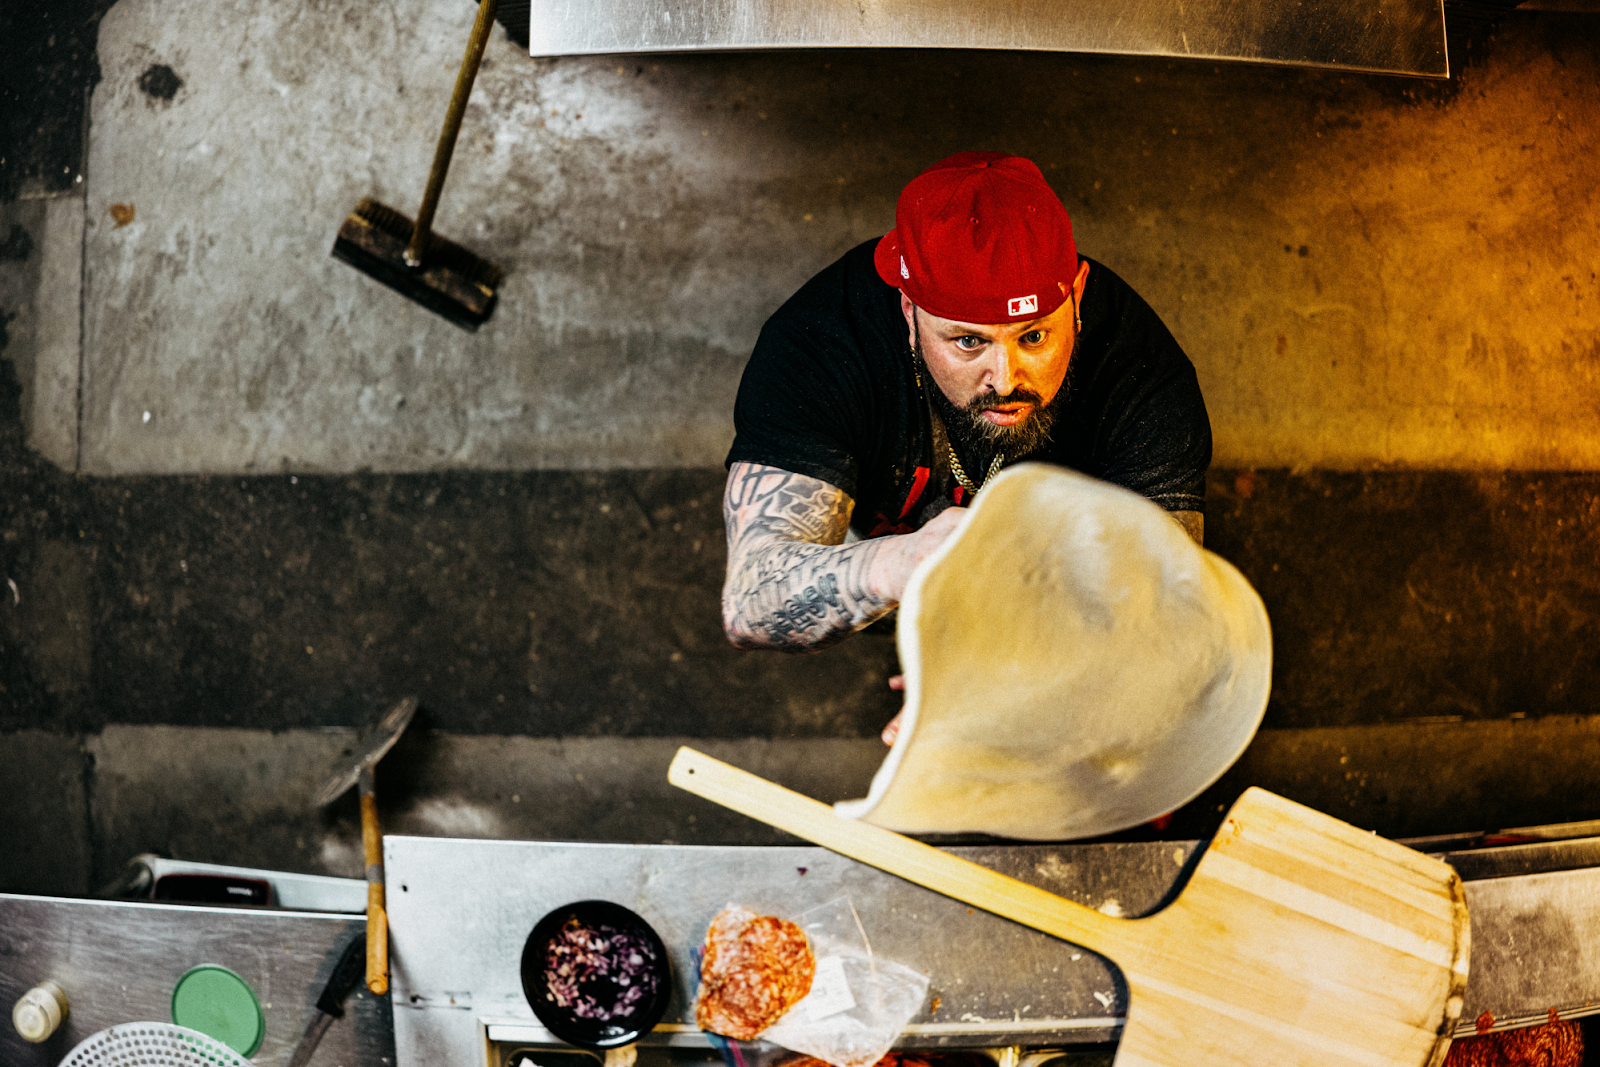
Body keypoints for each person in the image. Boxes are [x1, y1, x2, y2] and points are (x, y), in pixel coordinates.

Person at [720, 151, 1211, 665]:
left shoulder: (1143, 374)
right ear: (909, 312)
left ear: (1078, 297)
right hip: (879, 578)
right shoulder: (821, 347)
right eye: (968, 343)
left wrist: (983, 682)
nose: (1006, 380)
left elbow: (1161, 607)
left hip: (1058, 606)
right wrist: (900, 565)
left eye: (1036, 336)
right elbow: (751, 599)